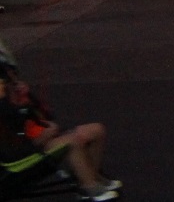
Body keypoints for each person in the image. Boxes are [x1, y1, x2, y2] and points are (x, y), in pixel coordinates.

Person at [0, 52, 120, 200]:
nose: (13, 80)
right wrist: (19, 104)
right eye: (9, 77)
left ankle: (90, 177)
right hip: (19, 155)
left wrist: (28, 100)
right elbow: (13, 132)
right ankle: (88, 187)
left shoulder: (15, 94)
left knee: (96, 130)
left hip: (36, 139)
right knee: (71, 142)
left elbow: (46, 116)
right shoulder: (5, 103)